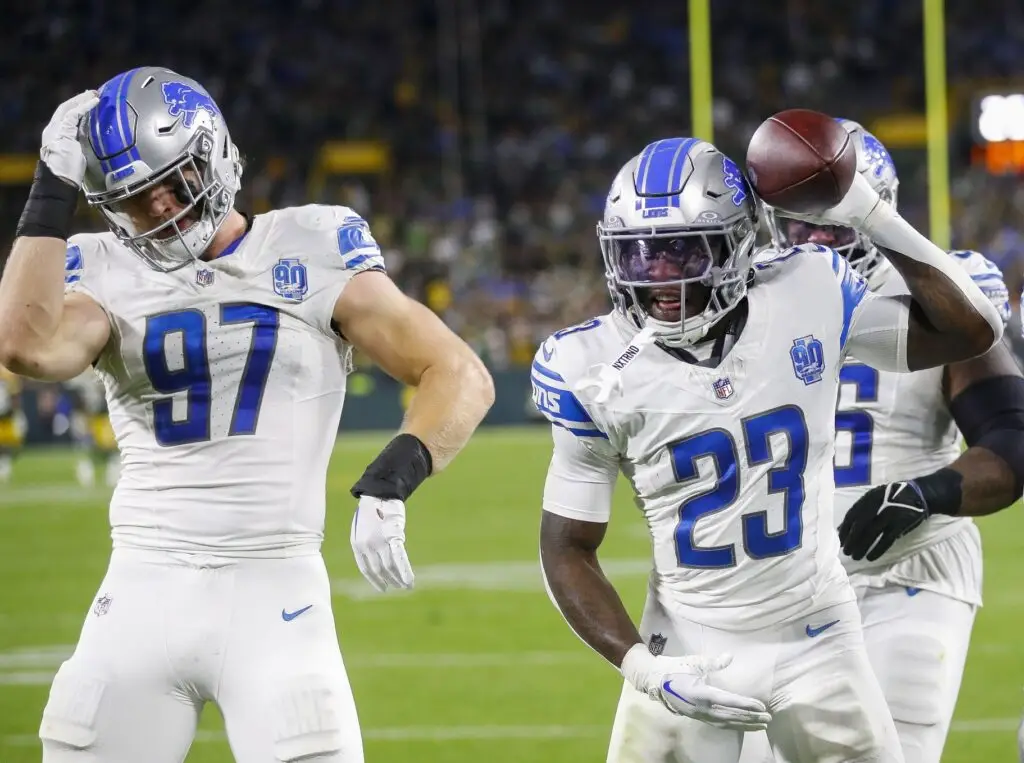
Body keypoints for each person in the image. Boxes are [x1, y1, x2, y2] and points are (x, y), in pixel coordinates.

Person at [0, 67, 494, 763]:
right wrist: (51, 184)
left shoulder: (312, 246)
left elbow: (459, 373)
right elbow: (23, 344)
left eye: (174, 180)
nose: (164, 209)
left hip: (275, 589)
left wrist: (393, 477)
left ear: (215, 152)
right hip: (142, 585)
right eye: (137, 200)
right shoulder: (100, 266)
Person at [532, 135, 1004, 763]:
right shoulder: (587, 365)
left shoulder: (807, 290)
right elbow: (566, 544)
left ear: (736, 241)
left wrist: (864, 208)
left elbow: (969, 329)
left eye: (681, 252)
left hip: (820, 633)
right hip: (686, 640)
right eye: (640, 254)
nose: (659, 278)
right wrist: (642, 666)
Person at [736, 122, 1024, 763]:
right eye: (799, 224)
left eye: (832, 224)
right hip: (781, 585)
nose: (813, 242)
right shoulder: (747, 301)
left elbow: (1009, 442)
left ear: (874, 214)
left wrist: (924, 494)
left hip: (909, 575)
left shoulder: (941, 303)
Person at [0, 364, 25, 483]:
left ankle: (5, 464)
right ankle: (4, 466)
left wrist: (16, 411)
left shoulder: (9, 375)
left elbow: (15, 395)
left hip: (7, 415)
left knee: (14, 444)